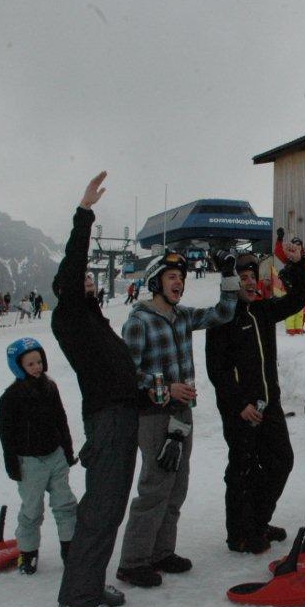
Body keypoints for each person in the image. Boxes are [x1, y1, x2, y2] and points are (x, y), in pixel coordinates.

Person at [115, 249, 238, 587]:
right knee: (155, 487)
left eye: (181, 278)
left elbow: (223, 313)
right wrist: (167, 387)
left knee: (176, 487)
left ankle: (161, 552)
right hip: (154, 415)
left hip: (182, 414)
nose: (179, 283)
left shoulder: (182, 316)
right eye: (172, 277)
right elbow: (127, 373)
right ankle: (133, 562)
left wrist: (228, 275)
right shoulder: (139, 321)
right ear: (156, 282)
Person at [52, 172, 141, 607]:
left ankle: (88, 580)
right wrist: (84, 214)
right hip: (106, 421)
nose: (86, 279)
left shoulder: (94, 320)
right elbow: (72, 268)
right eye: (80, 278)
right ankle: (77, 602)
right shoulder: (69, 316)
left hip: (121, 417)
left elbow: (118, 373)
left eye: (90, 277)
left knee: (109, 507)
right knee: (102, 508)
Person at [206, 245, 305, 554]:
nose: (251, 282)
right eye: (243, 278)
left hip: (269, 405)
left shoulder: (263, 311)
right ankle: (240, 533)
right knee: (243, 469)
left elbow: (298, 299)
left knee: (281, 461)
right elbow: (218, 371)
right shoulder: (222, 318)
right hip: (241, 411)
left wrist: (297, 265)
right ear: (230, 283)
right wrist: (240, 405)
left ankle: (257, 521)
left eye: (253, 276)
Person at [0, 337, 78, 576]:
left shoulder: (50, 388)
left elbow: (61, 420)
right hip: (29, 464)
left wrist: (67, 450)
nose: (36, 367)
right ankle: (28, 552)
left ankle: (71, 550)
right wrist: (12, 464)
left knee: (65, 504)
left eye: (39, 362)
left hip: (55, 456)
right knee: (32, 510)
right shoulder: (10, 397)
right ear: (18, 366)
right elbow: (6, 434)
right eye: (30, 364)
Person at [274, 230, 305, 335]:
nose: (297, 247)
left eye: (299, 245)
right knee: (292, 307)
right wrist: (279, 239)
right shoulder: (290, 258)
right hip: (293, 287)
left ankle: (299, 327)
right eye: (295, 245)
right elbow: (278, 252)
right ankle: (290, 328)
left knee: (303, 310)